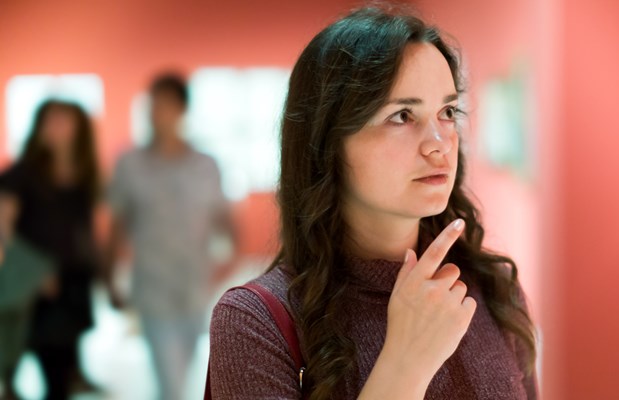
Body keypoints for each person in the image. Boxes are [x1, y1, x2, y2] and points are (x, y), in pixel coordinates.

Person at [209, 7, 538, 400]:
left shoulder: (495, 289)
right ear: (328, 142)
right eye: (402, 115)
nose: (439, 143)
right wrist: (404, 365)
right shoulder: (254, 322)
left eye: (447, 112)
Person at [104, 72, 239, 400]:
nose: (156, 112)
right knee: (170, 380)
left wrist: (227, 266)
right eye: (152, 105)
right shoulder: (130, 164)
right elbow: (117, 224)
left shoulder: (206, 165)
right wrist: (108, 276)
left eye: (164, 105)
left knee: (183, 369)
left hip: (194, 286)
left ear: (181, 110)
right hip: (152, 286)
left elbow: (226, 223)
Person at [0, 100, 102, 400]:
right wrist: (33, 273)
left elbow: (84, 228)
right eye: (50, 120)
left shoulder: (84, 174)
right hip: (38, 283)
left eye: (63, 120)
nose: (56, 128)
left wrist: (100, 268)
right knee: (45, 362)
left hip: (73, 278)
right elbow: (3, 228)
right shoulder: (22, 172)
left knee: (64, 364)